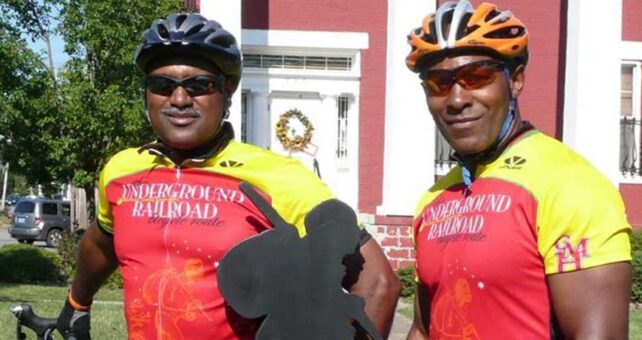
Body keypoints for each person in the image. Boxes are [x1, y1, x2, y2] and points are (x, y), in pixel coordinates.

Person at [55, 13, 400, 339]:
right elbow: (101, 242)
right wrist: (76, 304)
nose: (178, 98)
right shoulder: (122, 171)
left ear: (228, 90)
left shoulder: (279, 176)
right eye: (162, 84)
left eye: (199, 85)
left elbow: (378, 280)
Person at [404, 1, 632, 339]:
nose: (455, 99)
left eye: (476, 77)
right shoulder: (433, 202)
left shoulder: (568, 184)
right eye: (438, 84)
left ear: (516, 81)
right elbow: (424, 330)